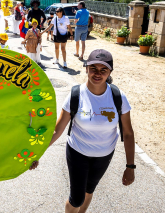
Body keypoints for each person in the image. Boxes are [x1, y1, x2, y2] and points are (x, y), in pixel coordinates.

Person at [46, 49, 135, 213]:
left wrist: (130, 166)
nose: (97, 73)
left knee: (89, 190)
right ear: (86, 68)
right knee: (77, 197)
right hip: (77, 152)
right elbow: (57, 131)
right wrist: (36, 153)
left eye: (103, 70)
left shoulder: (118, 97)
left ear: (109, 73)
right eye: (93, 68)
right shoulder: (75, 95)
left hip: (104, 156)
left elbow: (128, 133)